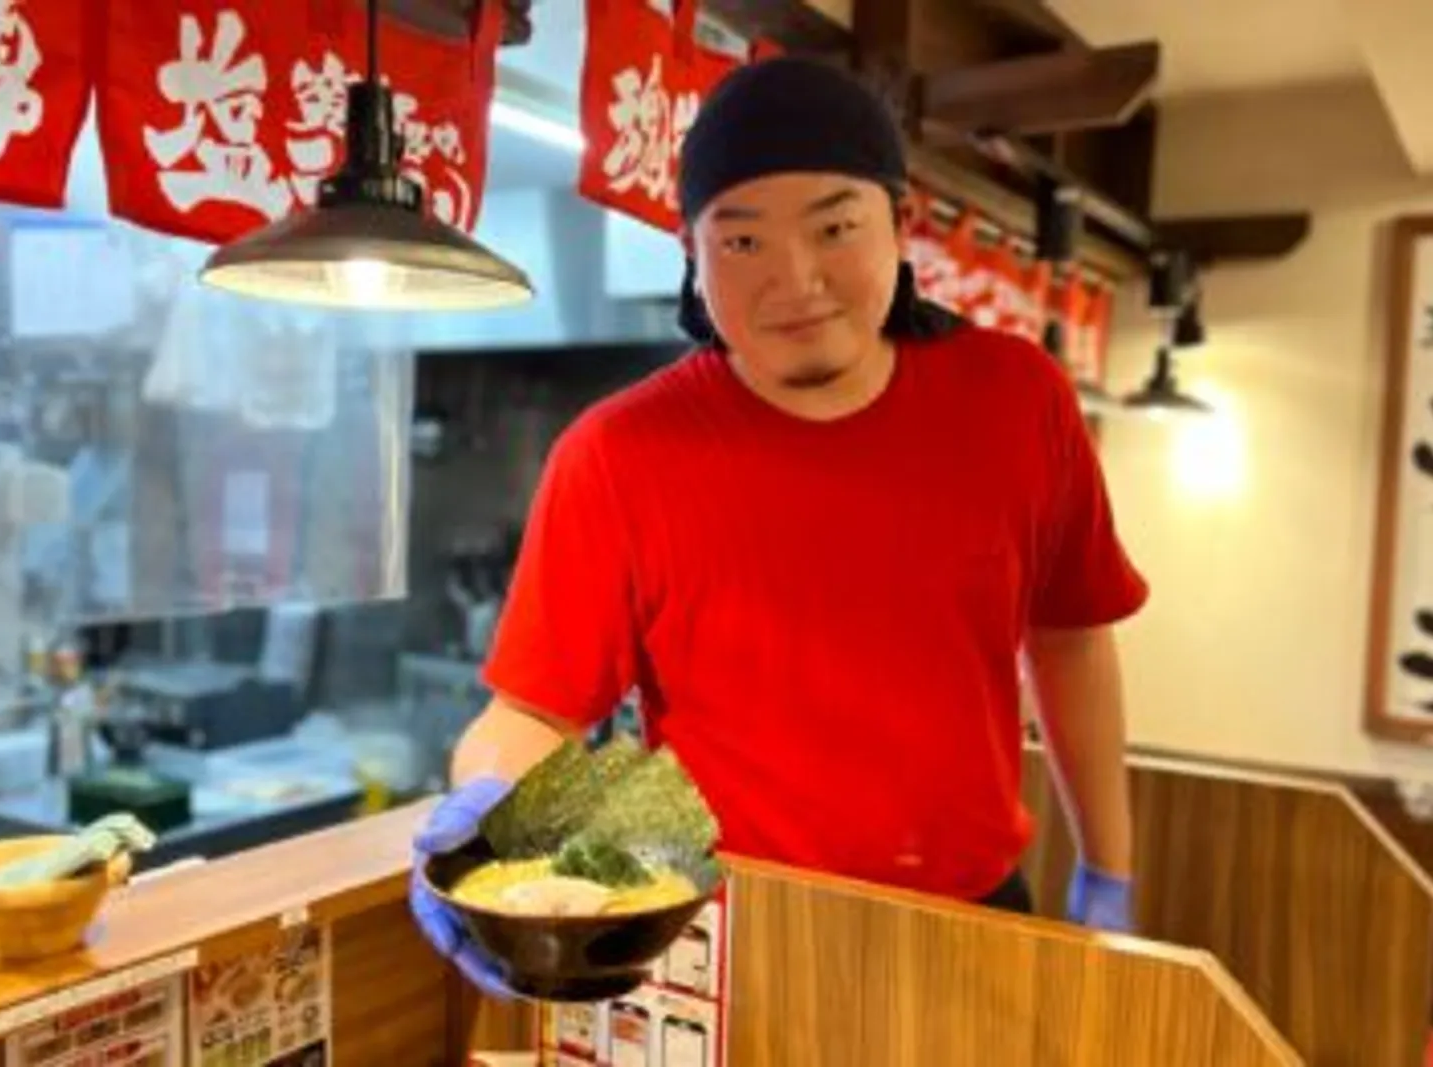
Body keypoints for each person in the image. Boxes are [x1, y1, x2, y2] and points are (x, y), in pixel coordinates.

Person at [410, 56, 1148, 997]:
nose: (795, 279)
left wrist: (1109, 869)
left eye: (835, 225)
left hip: (974, 924)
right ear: (692, 253)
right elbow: (534, 711)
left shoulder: (1018, 399)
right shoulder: (617, 453)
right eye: (743, 241)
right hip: (720, 935)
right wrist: (478, 816)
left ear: (899, 221)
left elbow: (1073, 637)